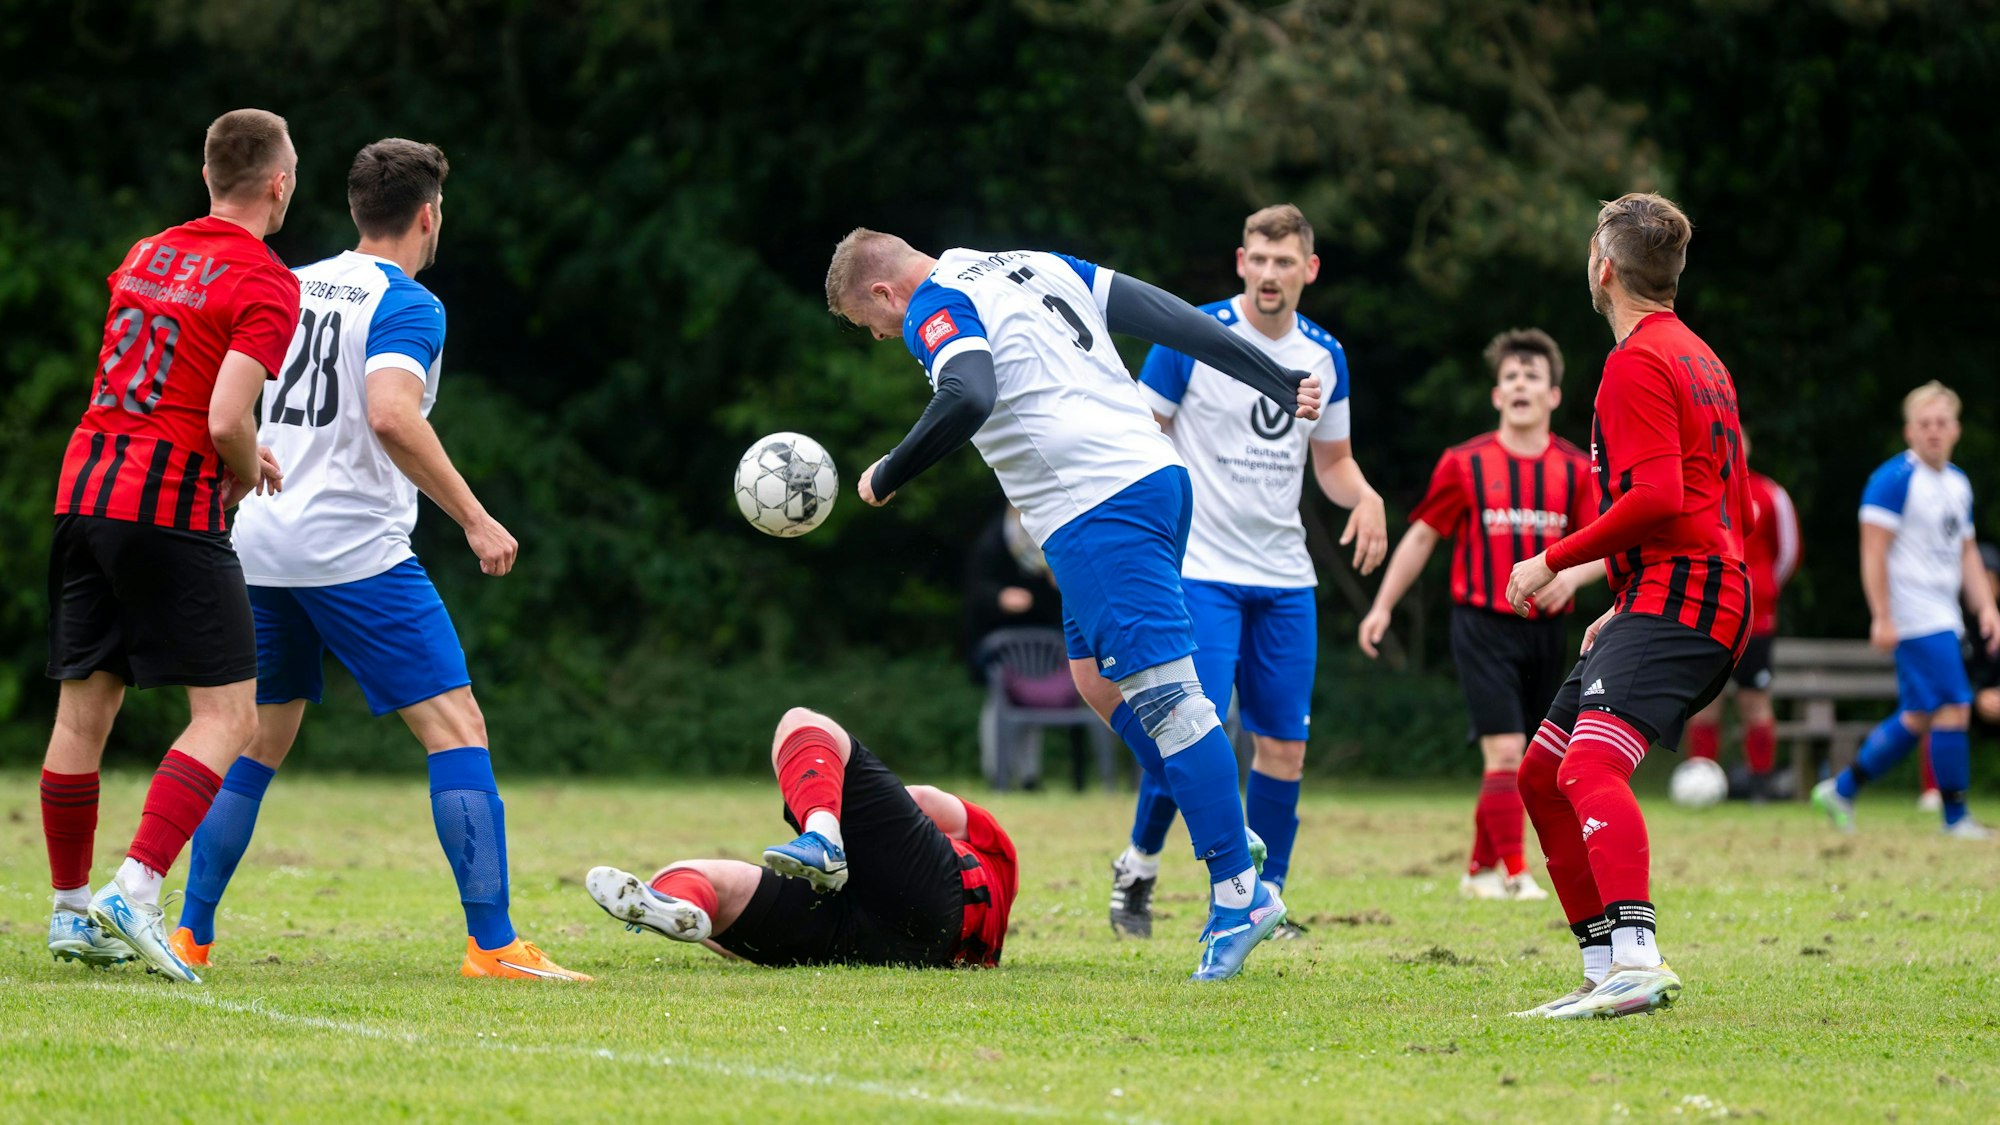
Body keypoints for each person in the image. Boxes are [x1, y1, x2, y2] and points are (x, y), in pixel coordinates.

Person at [825, 229, 1320, 979]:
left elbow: (969, 391)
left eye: (874, 326)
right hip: (1148, 479)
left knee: (1169, 697)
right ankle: (1221, 819)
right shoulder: (1029, 263)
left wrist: (892, 470)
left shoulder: (935, 302)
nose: (886, 336)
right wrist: (1271, 375)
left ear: (885, 293)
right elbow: (1163, 312)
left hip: (1099, 504)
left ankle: (1240, 892)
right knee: (1095, 679)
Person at [166, 139, 588, 981]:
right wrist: (474, 517)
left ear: (357, 208)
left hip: (256, 540)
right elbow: (392, 415)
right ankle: (495, 944)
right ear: (428, 215)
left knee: (256, 738)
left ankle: (189, 934)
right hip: (351, 550)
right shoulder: (409, 303)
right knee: (456, 726)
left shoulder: (284, 282)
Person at [41, 109, 300, 983]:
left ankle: (71, 912)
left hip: (84, 490)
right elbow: (225, 414)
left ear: (205, 174)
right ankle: (136, 887)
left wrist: (235, 445)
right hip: (166, 507)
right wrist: (237, 465)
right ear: (279, 184)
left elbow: (165, 385)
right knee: (230, 715)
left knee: (84, 712)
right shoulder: (266, 279)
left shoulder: (147, 252)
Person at [1099, 204, 1386, 941]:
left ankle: (1268, 897)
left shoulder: (1325, 354)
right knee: (1195, 730)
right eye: (1258, 258)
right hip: (1200, 570)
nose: (1269, 273)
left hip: (1285, 578)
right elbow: (1138, 434)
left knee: (1283, 745)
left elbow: (1333, 463)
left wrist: (1369, 498)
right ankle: (1139, 863)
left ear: (1308, 271)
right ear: (1239, 261)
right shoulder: (1192, 334)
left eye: (1284, 261)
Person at [1503, 192, 1753, 1019]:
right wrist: (1631, 594)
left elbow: (1656, 495)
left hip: (1686, 591)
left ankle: (1638, 958)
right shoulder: (1702, 358)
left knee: (1589, 766)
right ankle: (1606, 964)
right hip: (1681, 589)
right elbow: (1733, 509)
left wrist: (1554, 560)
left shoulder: (1638, 361)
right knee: (1542, 773)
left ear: (1603, 269)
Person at [1359, 328, 1598, 903]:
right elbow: (1420, 538)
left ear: (1553, 396)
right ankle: (1515, 874)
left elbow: (1605, 545)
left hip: (1546, 632)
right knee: (1506, 750)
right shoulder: (1464, 464)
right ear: (1496, 396)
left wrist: (1570, 576)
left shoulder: (1573, 469)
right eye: (1510, 377)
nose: (1520, 385)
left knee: (1536, 756)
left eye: (1532, 377)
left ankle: (1477, 869)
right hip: (1481, 626)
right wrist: (1382, 606)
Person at [586, 707, 1017, 968]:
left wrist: (818, 804)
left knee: (801, 722)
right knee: (684, 878)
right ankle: (684, 908)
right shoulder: (998, 861)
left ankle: (822, 838)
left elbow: (921, 799)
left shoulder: (990, 844)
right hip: (901, 945)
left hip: (931, 907)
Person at [1814, 382, 2000, 839]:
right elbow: (1873, 552)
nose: (1933, 432)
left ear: (1955, 429)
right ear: (1909, 431)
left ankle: (1841, 788)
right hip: (1915, 614)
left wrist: (1988, 608)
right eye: (1924, 424)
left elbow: (1967, 554)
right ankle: (1955, 818)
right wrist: (1882, 614)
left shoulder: (1957, 483)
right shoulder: (1893, 480)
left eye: (1941, 423)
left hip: (1945, 614)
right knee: (1955, 705)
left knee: (1919, 715)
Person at [1682, 437, 1800, 798]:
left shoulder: (1769, 494)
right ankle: (1702, 781)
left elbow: (1787, 553)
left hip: (1755, 618)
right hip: (1705, 614)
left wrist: (1761, 591)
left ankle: (1760, 783)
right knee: (1705, 700)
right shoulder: (1694, 491)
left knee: (1754, 700)